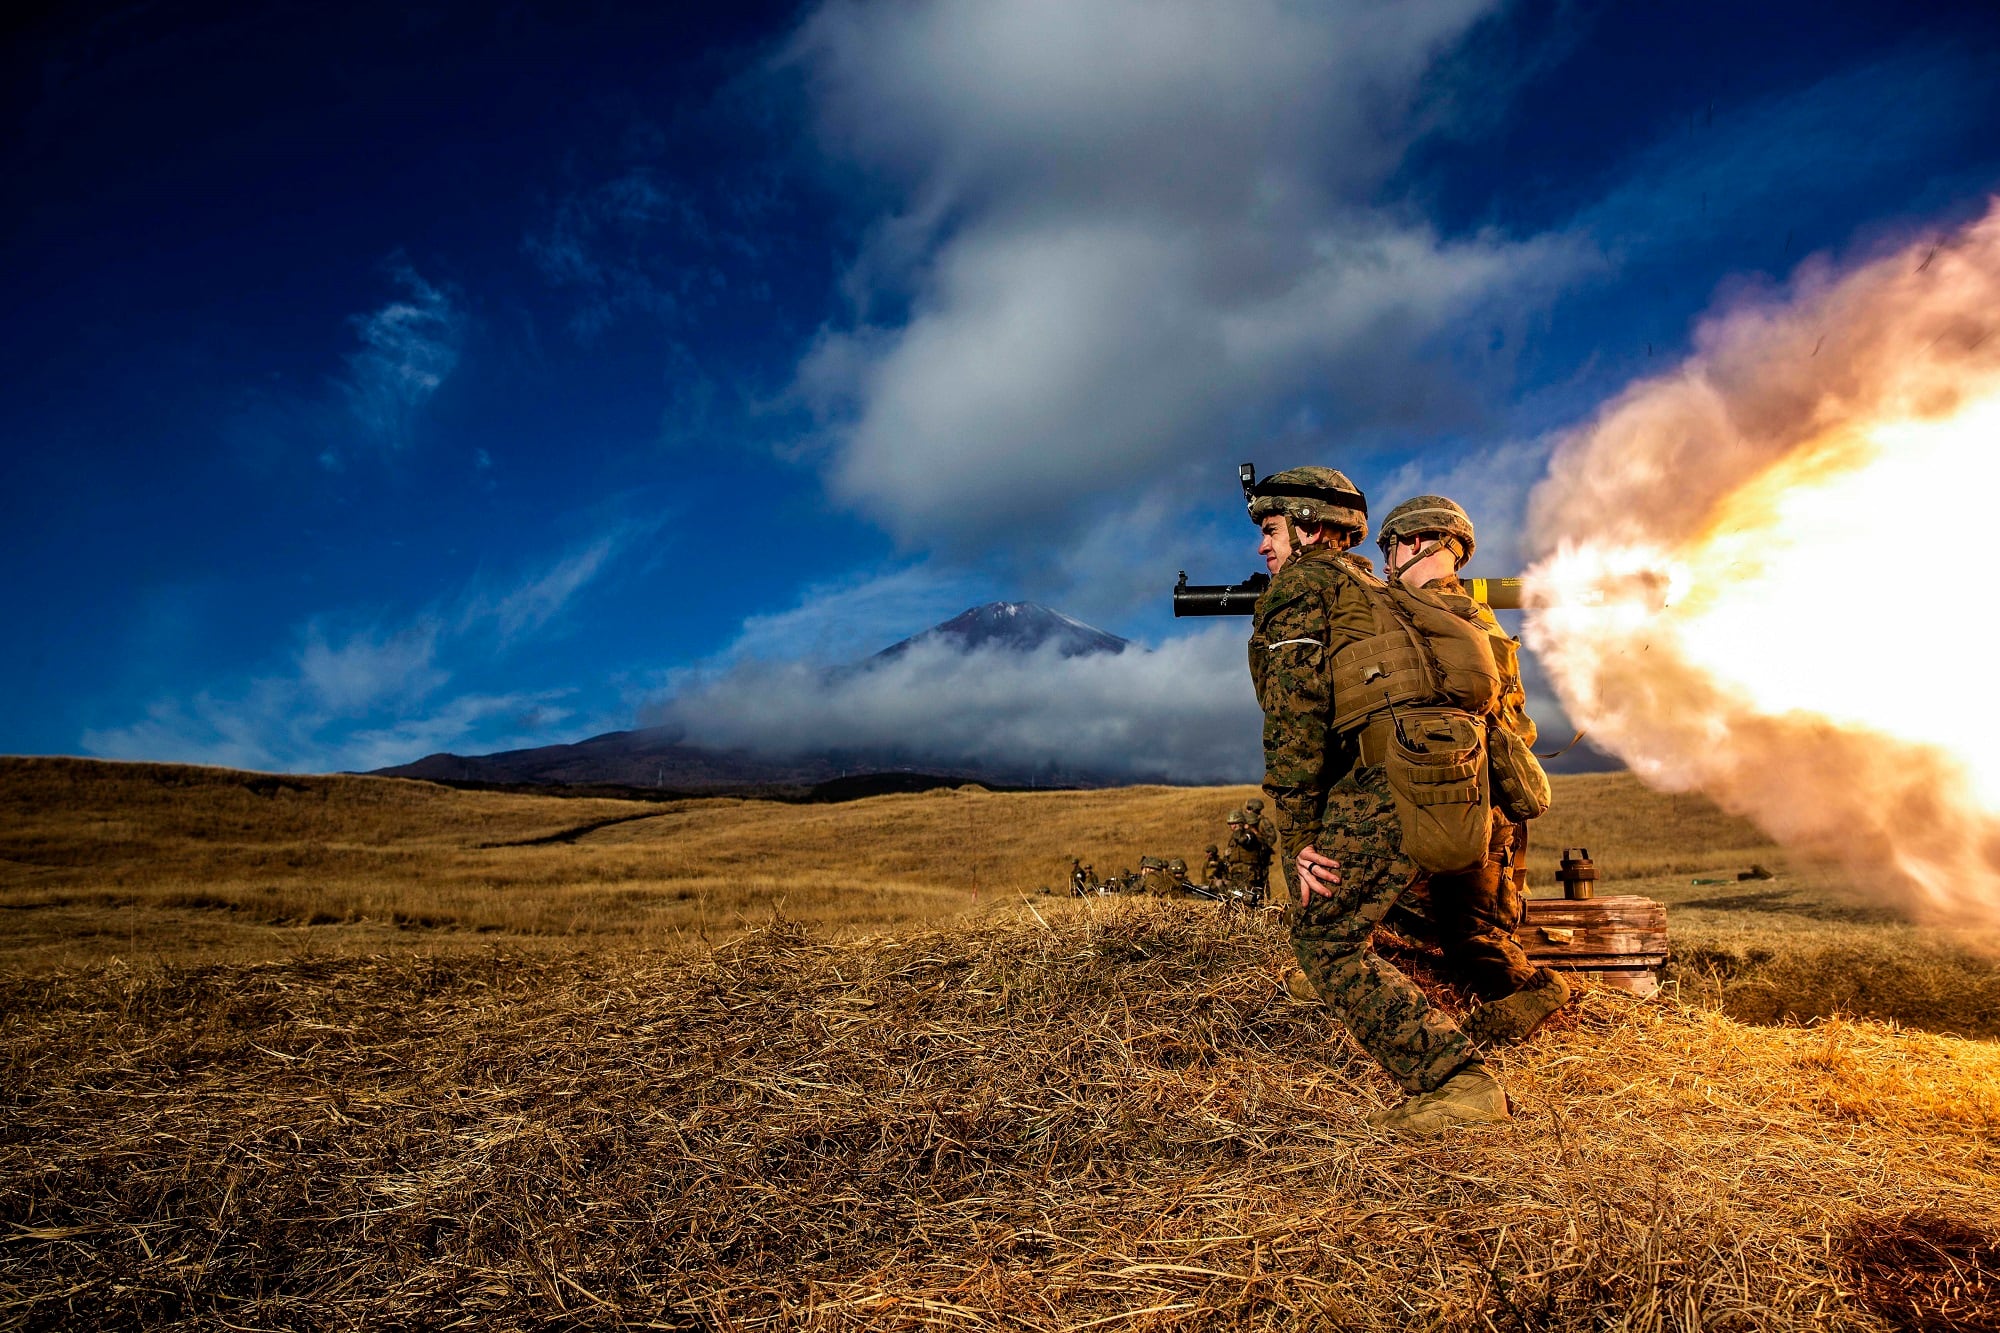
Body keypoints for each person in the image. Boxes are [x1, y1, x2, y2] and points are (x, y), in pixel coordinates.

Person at [1247, 465, 1509, 1133]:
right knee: (1339, 932)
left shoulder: (1303, 585)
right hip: (1430, 770)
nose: (1261, 546)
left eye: (1270, 529)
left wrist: (1299, 839)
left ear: (1308, 529)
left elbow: (1294, 720)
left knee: (1324, 938)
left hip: (1387, 775)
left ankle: (1457, 1082)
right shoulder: (1368, 583)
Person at [1376, 496, 1570, 1043]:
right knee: (1447, 926)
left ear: (1416, 544)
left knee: (1471, 936)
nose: (1387, 564)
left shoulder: (1427, 619)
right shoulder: (1478, 618)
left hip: (1458, 798)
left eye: (1390, 550)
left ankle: (1533, 994)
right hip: (1473, 798)